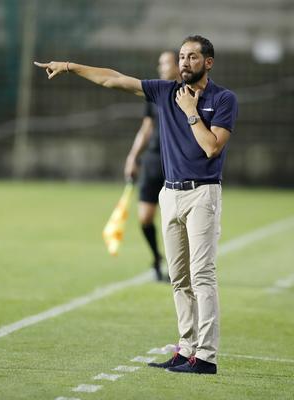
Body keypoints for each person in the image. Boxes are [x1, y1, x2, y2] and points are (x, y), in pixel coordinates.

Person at [34, 34, 238, 374]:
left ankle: (206, 357)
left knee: (202, 276)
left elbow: (212, 147)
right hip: (170, 194)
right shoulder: (163, 91)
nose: (185, 62)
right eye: (182, 56)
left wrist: (190, 113)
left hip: (203, 194)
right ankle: (186, 348)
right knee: (178, 279)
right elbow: (112, 79)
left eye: (192, 57)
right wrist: (70, 67)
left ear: (208, 63)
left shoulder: (224, 99)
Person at [124, 51, 180, 281]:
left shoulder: (187, 93)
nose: (160, 67)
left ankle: (179, 267)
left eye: (164, 63)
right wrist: (133, 157)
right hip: (154, 160)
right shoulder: (155, 93)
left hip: (176, 162)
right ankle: (156, 258)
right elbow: (147, 127)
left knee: (175, 221)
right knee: (145, 218)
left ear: (179, 65)